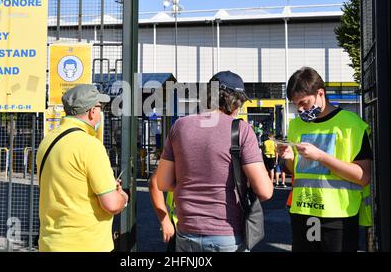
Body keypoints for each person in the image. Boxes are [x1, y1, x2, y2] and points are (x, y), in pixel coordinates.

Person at [156, 70, 273, 252]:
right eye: (240, 102)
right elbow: (265, 192)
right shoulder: (241, 130)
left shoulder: (180, 126)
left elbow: (162, 183)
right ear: (233, 101)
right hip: (226, 234)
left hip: (186, 231)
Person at [277, 67, 372, 252]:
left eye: (304, 102)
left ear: (320, 93)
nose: (300, 109)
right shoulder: (296, 125)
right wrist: (288, 158)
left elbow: (363, 176)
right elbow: (298, 172)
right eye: (296, 104)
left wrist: (321, 156)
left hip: (338, 217)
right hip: (302, 212)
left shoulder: (351, 125)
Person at [36, 84, 128, 252]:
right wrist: (122, 196)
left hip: (50, 243)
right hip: (85, 245)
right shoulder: (90, 146)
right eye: (101, 108)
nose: (101, 114)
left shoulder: (47, 141)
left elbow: (68, 185)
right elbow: (112, 205)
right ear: (92, 111)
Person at [148, 170, 177, 251]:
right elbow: (155, 181)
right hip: (180, 230)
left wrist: (165, 221)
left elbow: (155, 181)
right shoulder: (180, 157)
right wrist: (165, 221)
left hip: (180, 228)